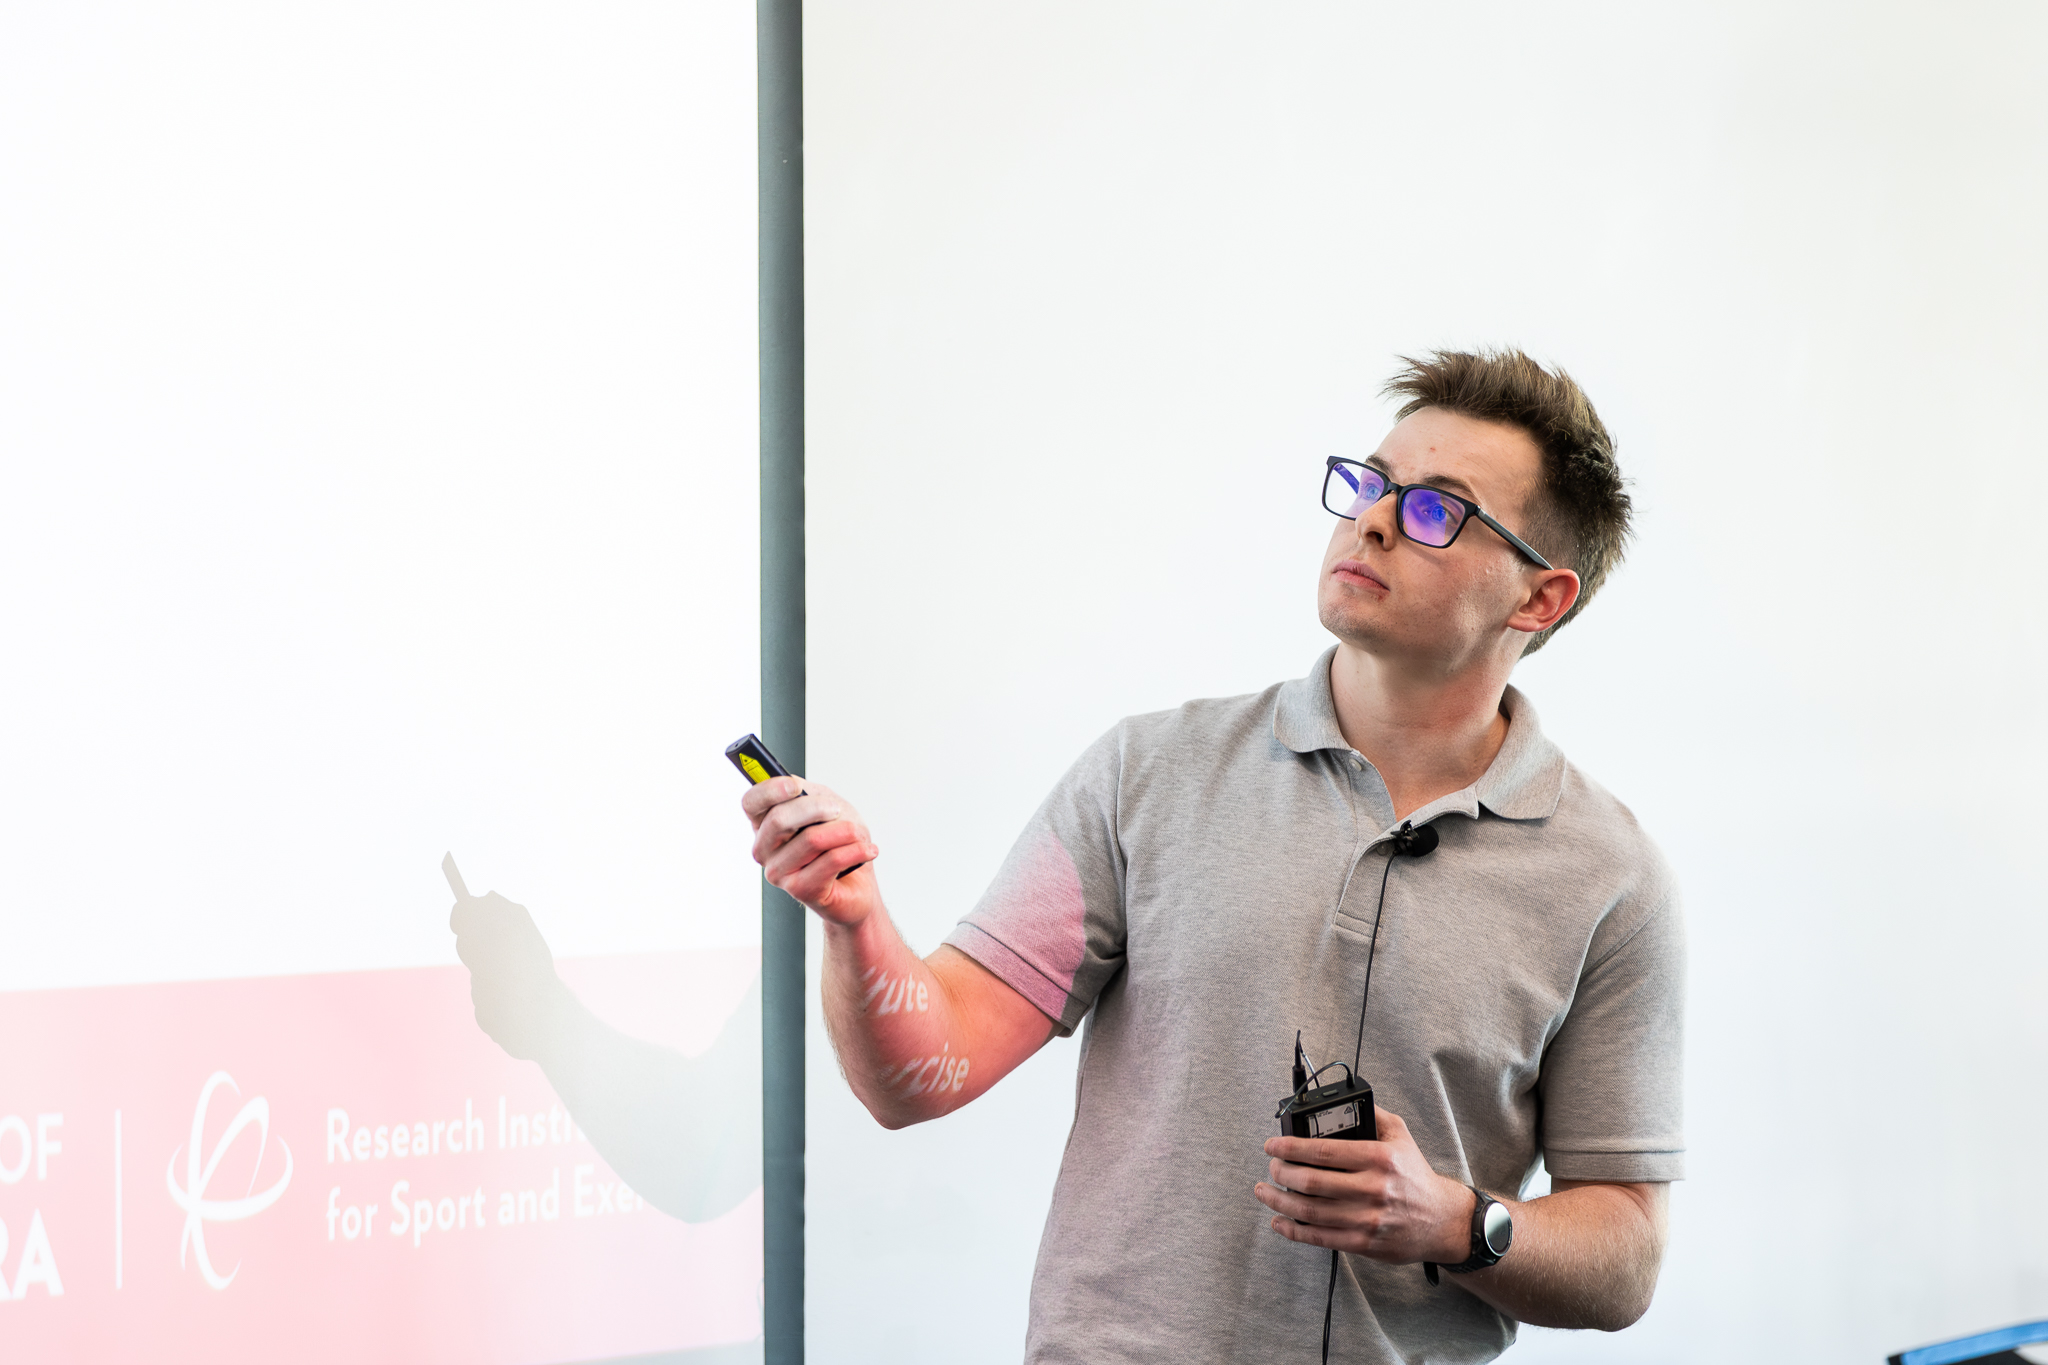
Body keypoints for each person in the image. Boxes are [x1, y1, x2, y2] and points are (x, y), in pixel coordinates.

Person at [743, 350, 1684, 1364]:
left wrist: (1457, 1222)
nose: (1370, 520)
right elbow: (916, 1078)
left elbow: (1625, 1259)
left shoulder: (1610, 877)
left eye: (1433, 510)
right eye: (1370, 483)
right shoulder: (1146, 773)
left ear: (1538, 599)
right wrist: (856, 921)